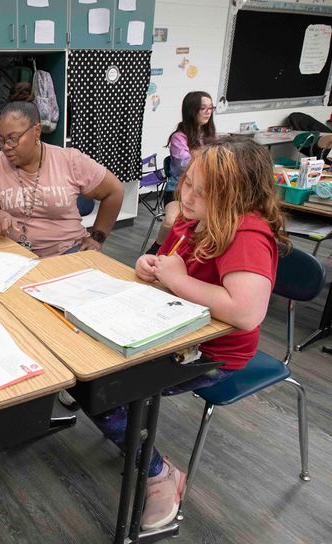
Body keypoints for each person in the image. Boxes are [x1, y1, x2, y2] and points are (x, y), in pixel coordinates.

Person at [94, 137, 290, 530]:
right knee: (93, 372)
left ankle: (159, 474)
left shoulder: (247, 234)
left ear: (238, 196)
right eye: (188, 183)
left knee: (104, 393)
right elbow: (170, 263)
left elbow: (247, 312)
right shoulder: (193, 219)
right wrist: (149, 265)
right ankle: (136, 440)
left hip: (215, 355)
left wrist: (177, 280)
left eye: (203, 192)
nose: (188, 196)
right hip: (174, 330)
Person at [0, 101, 124, 257]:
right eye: (1, 139)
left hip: (67, 251)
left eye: (13, 138)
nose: (6, 147)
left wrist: (97, 238)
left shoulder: (70, 160)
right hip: (14, 252)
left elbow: (114, 191)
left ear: (36, 131)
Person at [147, 91, 217, 254]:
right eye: (203, 108)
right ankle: (157, 249)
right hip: (178, 191)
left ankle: (192, 255)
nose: (208, 112)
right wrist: (208, 160)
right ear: (192, 111)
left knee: (212, 224)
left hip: (205, 193)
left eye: (210, 108)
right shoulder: (179, 138)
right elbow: (186, 164)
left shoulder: (212, 137)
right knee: (170, 222)